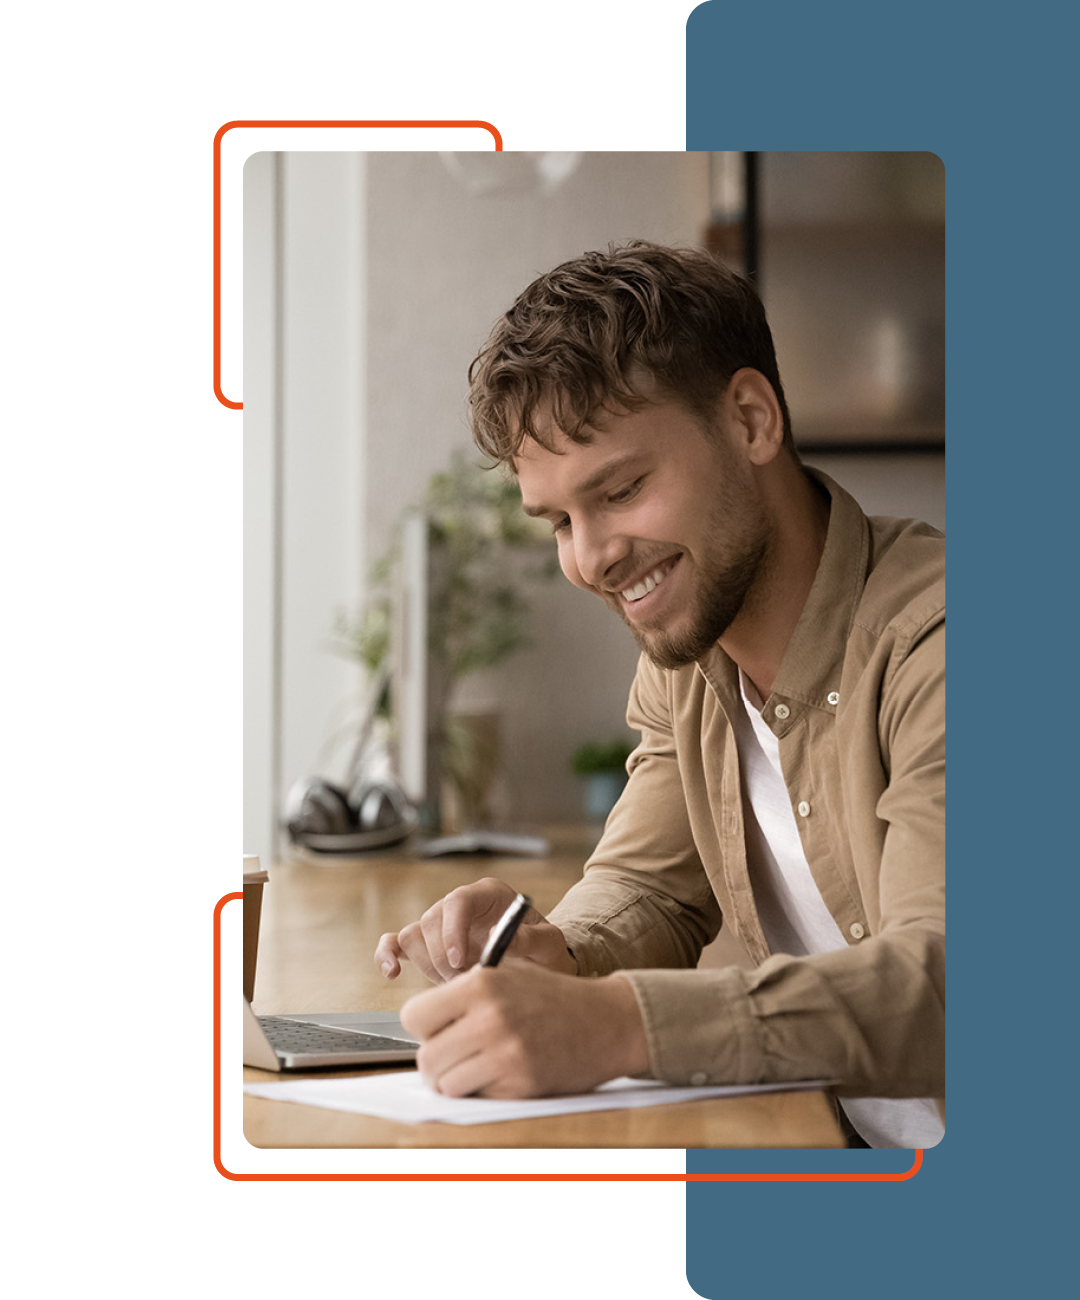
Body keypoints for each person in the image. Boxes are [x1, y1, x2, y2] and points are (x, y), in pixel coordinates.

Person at [374, 241, 944, 1148]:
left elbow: (947, 988)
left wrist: (621, 1027)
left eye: (623, 489)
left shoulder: (941, 643)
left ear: (752, 421)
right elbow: (651, 886)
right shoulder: (686, 656)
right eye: (561, 520)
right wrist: (548, 951)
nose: (592, 559)